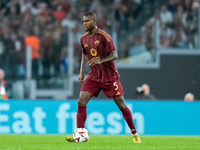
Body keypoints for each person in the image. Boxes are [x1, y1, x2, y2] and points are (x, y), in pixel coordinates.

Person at [65, 11, 141, 143]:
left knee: (121, 104)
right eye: (83, 21)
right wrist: (82, 71)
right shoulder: (83, 38)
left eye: (87, 21)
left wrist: (100, 61)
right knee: (81, 100)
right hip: (94, 76)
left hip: (109, 77)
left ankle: (134, 134)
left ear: (94, 22)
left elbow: (115, 54)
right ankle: (79, 133)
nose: (84, 24)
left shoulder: (104, 36)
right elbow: (84, 54)